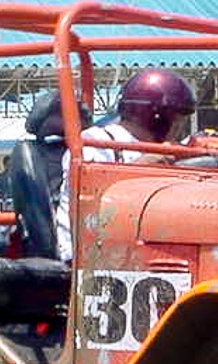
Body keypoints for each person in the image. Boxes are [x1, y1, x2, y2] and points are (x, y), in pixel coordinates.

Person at [56, 69, 195, 261]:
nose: (179, 129)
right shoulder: (95, 141)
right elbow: (91, 201)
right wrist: (142, 167)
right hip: (88, 256)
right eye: (178, 121)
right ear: (157, 118)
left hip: (133, 248)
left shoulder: (160, 150)